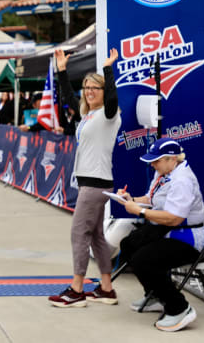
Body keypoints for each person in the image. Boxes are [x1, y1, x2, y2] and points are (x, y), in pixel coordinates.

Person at [49, 48, 121, 308]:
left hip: (95, 183)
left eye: (95, 88)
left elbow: (112, 98)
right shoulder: (89, 114)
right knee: (96, 236)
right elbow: (69, 97)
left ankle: (77, 290)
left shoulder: (109, 114)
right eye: (87, 87)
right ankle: (106, 288)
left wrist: (108, 68)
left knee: (78, 233)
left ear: (103, 91)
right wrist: (61, 71)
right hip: (91, 182)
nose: (89, 91)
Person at [116, 138, 204, 332]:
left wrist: (139, 211)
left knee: (144, 260)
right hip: (169, 230)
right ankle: (155, 294)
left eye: (157, 160)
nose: (152, 164)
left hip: (188, 237)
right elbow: (151, 199)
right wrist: (130, 200)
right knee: (129, 244)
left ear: (172, 159)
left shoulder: (182, 180)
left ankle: (179, 308)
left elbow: (174, 218)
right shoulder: (164, 172)